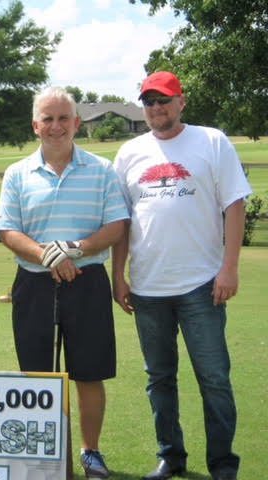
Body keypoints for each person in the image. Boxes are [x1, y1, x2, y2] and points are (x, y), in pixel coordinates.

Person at [111, 71, 251, 480]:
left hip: (203, 285)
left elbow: (235, 205)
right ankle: (170, 455)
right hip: (148, 288)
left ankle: (222, 463)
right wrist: (118, 277)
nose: (157, 108)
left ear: (181, 102)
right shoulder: (129, 153)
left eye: (164, 100)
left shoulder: (211, 141)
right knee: (159, 379)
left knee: (214, 379)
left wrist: (229, 268)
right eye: (149, 102)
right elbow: (121, 222)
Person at [0, 86, 129, 479]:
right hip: (33, 284)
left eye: (63, 118)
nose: (56, 127)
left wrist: (72, 249)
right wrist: (46, 255)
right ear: (36, 125)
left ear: (77, 123)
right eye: (48, 119)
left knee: (89, 372)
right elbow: (7, 230)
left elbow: (116, 226)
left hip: (87, 282)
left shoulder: (102, 170)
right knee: (38, 376)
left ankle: (90, 452)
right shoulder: (18, 173)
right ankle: (44, 456)